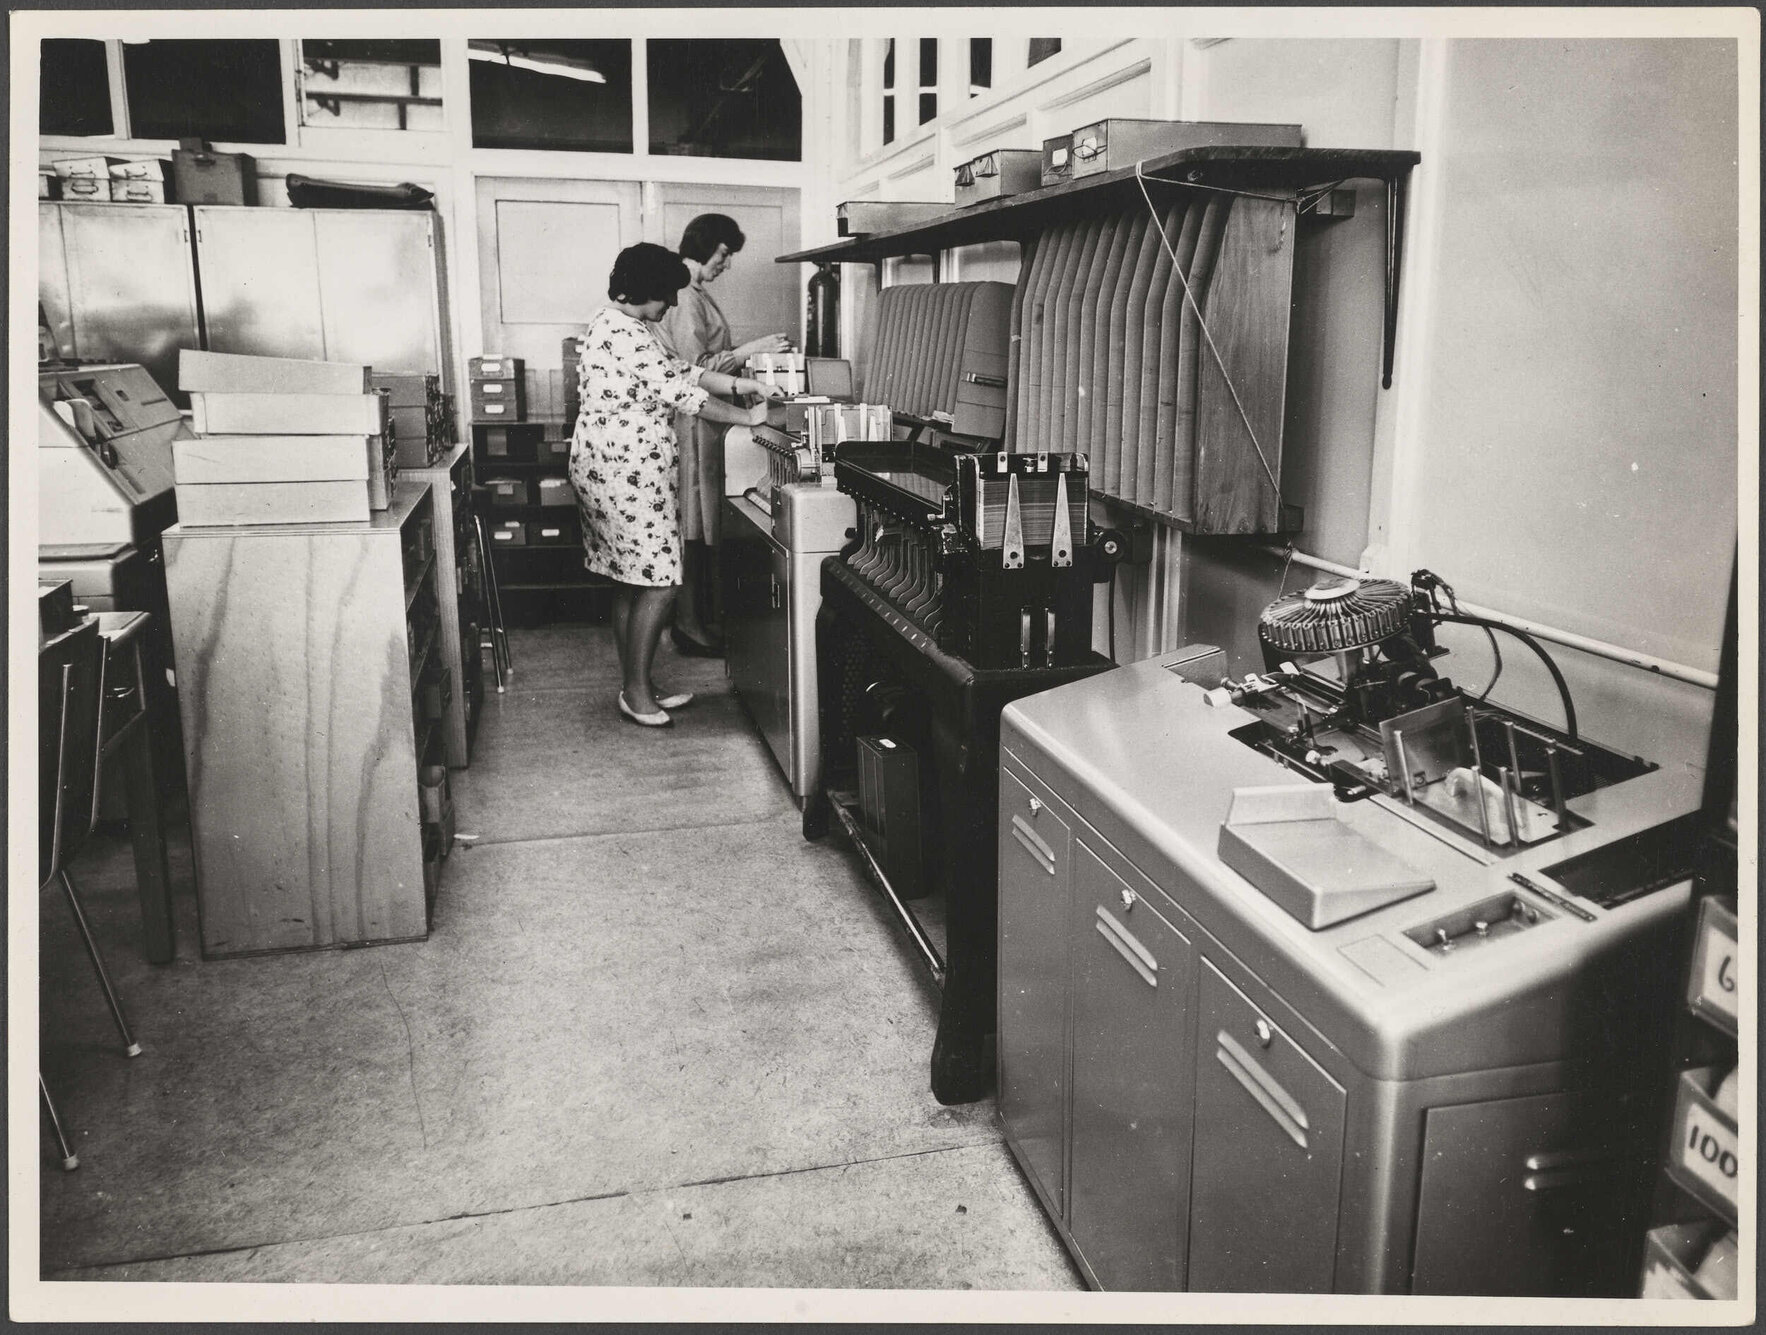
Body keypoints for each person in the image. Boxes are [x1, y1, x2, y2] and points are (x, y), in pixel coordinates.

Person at [569, 242, 784, 727]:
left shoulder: (617, 324)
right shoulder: (626, 334)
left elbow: (679, 368)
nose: (669, 306)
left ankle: (637, 683)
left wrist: (739, 385)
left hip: (612, 468)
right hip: (626, 475)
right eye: (665, 296)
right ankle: (636, 691)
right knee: (662, 582)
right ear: (647, 291)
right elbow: (683, 395)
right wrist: (747, 417)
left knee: (631, 581)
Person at [656, 212, 791, 657]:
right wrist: (751, 352)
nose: (726, 263)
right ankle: (689, 625)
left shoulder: (695, 294)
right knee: (691, 528)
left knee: (699, 526)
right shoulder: (684, 298)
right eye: (724, 254)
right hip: (692, 424)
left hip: (706, 424)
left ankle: (696, 622)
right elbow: (694, 372)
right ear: (704, 246)